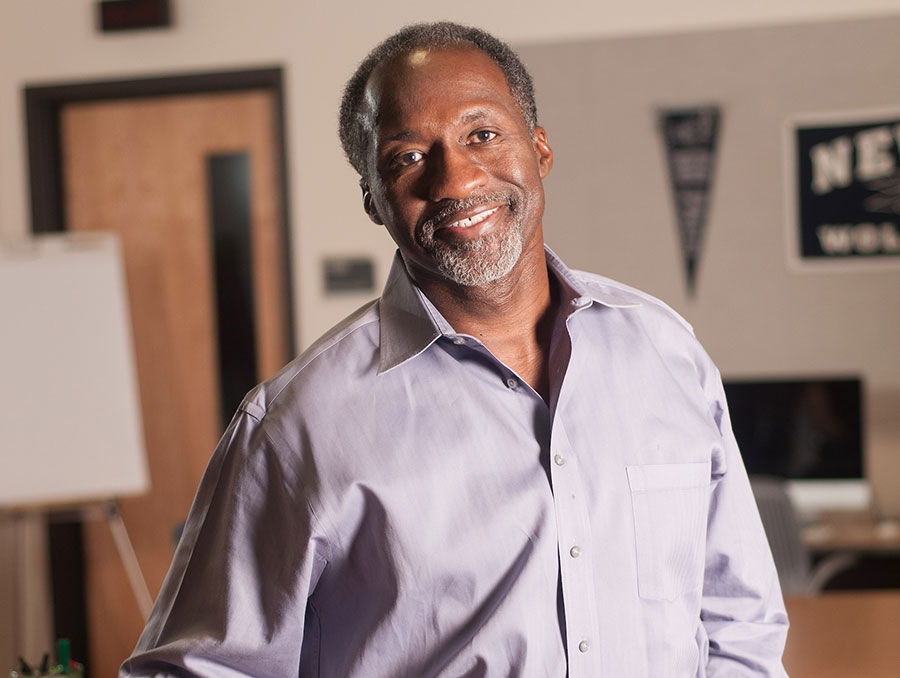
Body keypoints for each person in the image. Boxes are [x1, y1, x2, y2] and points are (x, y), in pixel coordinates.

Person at [121, 22, 788, 677]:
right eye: (406, 157)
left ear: (540, 149)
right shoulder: (296, 427)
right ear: (373, 200)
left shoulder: (664, 353)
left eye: (483, 135)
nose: (456, 179)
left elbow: (738, 624)